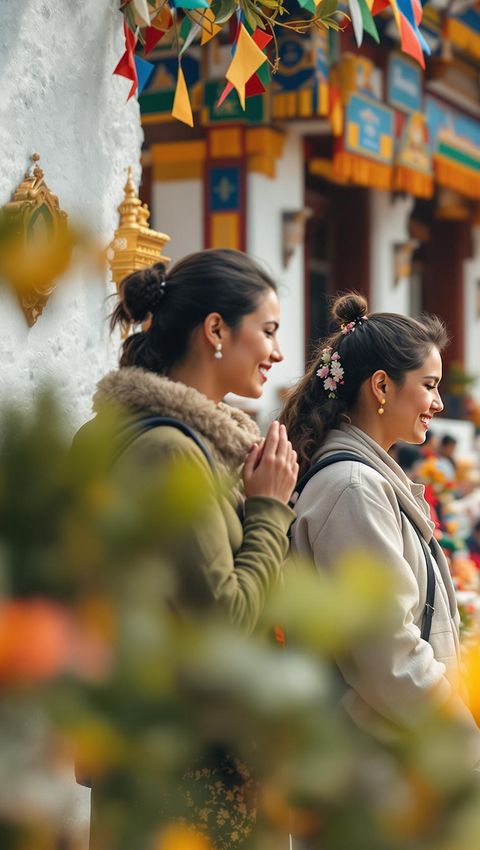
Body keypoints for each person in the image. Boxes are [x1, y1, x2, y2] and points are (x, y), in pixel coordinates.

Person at [75, 250, 299, 849]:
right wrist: (269, 508)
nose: (278, 353)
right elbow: (224, 620)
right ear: (217, 330)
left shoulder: (161, 436)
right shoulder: (170, 452)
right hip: (189, 770)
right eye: (270, 331)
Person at [280, 294, 480, 784]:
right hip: (377, 768)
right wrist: (467, 749)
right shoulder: (353, 487)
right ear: (381, 386)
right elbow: (388, 653)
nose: (439, 403)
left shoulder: (365, 478)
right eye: (429, 385)